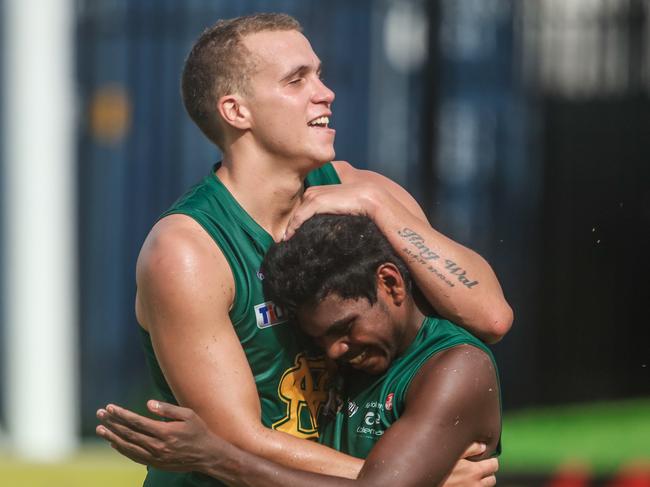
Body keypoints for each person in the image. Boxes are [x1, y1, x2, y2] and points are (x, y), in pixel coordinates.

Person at [97, 12, 512, 487]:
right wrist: (413, 478)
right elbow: (233, 440)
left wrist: (378, 205)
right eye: (297, 80)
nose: (325, 92)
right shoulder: (188, 249)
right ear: (237, 111)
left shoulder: (362, 192)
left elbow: (491, 317)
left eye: (319, 73)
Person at [97, 214, 502, 487]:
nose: (335, 351)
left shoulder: (456, 368)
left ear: (391, 284)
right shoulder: (364, 359)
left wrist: (217, 458)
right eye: (318, 340)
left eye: (344, 328)